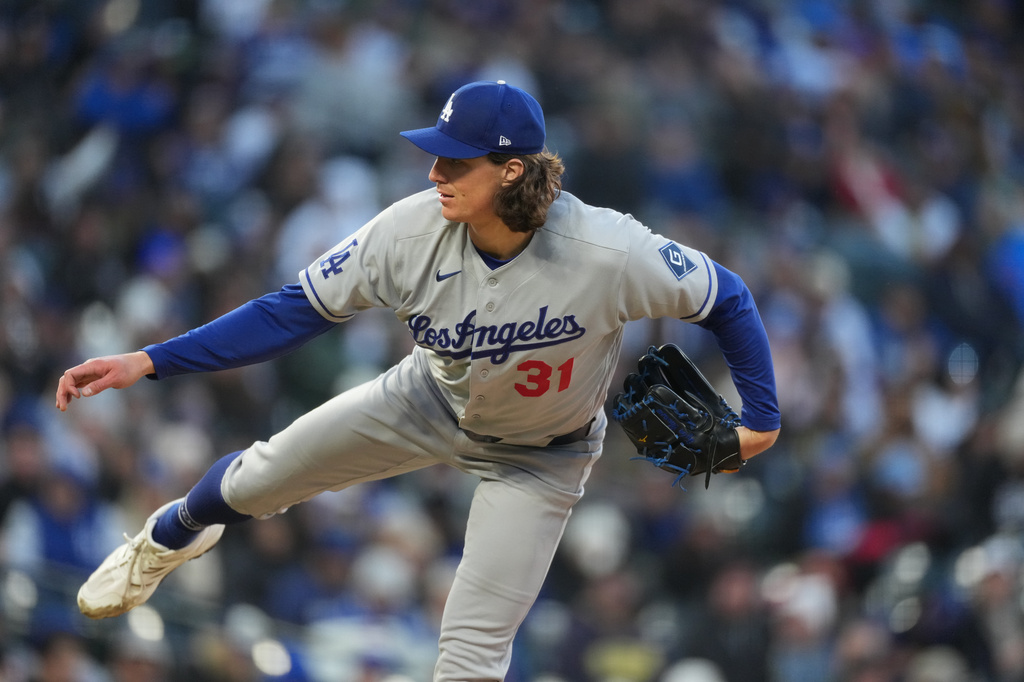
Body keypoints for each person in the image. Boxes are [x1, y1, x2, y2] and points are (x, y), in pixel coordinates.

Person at [54, 80, 781, 681]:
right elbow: (289, 314)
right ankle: (165, 537)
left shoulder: (607, 249)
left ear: (512, 171)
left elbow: (729, 299)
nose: (434, 173)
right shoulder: (407, 232)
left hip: (541, 457)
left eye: (454, 161)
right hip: (427, 399)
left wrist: (763, 418)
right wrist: (148, 361)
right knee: (259, 479)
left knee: (468, 660)